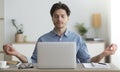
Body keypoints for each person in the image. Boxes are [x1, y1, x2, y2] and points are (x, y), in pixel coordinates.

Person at [3, 2, 117, 63]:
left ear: (68, 18)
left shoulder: (77, 38)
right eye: (56, 16)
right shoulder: (43, 39)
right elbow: (33, 61)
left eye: (63, 16)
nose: (59, 19)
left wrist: (104, 54)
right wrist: (16, 53)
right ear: (52, 18)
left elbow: (87, 61)